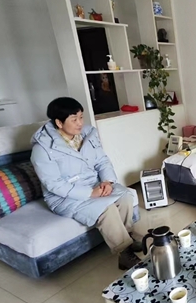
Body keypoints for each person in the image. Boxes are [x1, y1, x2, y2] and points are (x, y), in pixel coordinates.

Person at [31, 97, 141, 270]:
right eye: (74, 119)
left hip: (94, 183)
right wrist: (90, 193)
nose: (80, 123)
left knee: (126, 196)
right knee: (106, 209)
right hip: (65, 197)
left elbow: (102, 161)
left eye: (81, 117)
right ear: (59, 122)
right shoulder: (43, 148)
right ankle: (124, 252)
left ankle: (127, 236)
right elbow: (54, 185)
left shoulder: (88, 134)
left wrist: (107, 181)